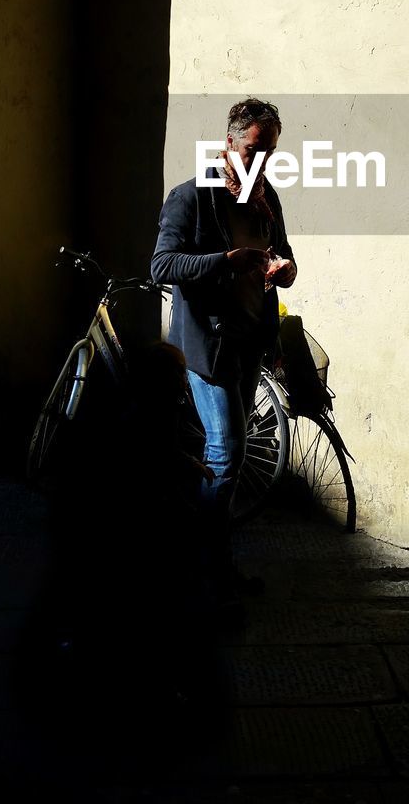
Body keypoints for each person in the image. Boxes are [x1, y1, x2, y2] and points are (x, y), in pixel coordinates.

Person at [150, 97, 297, 618]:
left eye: (272, 151)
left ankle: (213, 567)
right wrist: (225, 262)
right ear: (230, 143)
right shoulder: (192, 197)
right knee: (227, 454)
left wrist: (283, 270)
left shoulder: (266, 200)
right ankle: (206, 576)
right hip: (208, 347)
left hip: (250, 341)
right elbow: (162, 265)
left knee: (223, 461)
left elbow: (287, 257)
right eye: (257, 149)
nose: (264, 161)